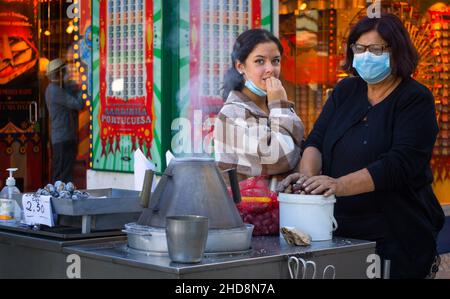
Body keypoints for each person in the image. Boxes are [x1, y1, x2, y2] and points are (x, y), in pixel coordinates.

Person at [277, 13, 445, 279]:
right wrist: (308, 180)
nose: (367, 55)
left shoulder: (415, 99)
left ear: (396, 51)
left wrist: (338, 185)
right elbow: (317, 141)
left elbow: (399, 164)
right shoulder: (346, 90)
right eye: (360, 48)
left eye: (376, 49)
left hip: (395, 235)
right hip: (339, 230)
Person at [214, 29, 304, 183]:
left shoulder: (278, 108)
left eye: (275, 61)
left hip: (284, 205)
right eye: (260, 61)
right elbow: (279, 158)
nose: (270, 69)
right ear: (240, 66)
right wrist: (280, 106)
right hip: (246, 206)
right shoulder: (232, 114)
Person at [45, 58, 84, 183]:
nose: (67, 73)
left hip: (64, 137)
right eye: (65, 71)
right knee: (62, 175)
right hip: (63, 138)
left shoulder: (57, 87)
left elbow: (71, 86)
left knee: (64, 173)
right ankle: (60, 200)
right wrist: (84, 89)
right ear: (59, 73)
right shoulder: (54, 90)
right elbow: (78, 104)